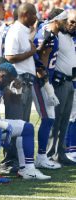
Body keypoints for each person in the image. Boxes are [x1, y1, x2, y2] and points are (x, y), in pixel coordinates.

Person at [0, 62, 50, 180]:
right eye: (9, 81)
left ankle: (27, 169)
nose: (9, 84)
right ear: (3, 76)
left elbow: (13, 102)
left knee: (27, 128)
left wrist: (17, 90)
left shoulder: (0, 84)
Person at [32, 8, 67, 169]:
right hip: (40, 82)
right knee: (48, 118)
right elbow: (41, 65)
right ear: (56, 20)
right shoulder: (48, 35)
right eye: (64, 20)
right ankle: (40, 157)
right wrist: (47, 87)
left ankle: (41, 156)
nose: (67, 23)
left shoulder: (51, 33)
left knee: (49, 118)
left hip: (46, 81)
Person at [47, 10, 76, 165]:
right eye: (70, 21)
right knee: (56, 119)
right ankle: (50, 153)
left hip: (70, 82)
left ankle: (60, 153)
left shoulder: (70, 38)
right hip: (60, 81)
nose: (72, 25)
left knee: (64, 120)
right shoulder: (58, 34)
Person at [4, 3, 37, 122]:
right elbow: (9, 57)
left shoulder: (24, 30)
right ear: (25, 15)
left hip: (26, 81)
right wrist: (31, 52)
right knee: (16, 122)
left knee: (24, 123)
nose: (36, 17)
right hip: (18, 80)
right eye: (33, 14)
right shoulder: (15, 30)